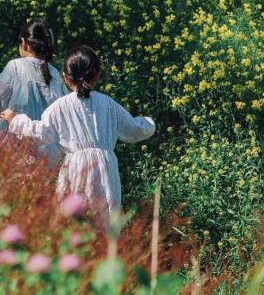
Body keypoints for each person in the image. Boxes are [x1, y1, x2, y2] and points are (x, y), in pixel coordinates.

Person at [1, 45, 155, 216]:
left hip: (76, 168)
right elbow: (133, 129)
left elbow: (42, 132)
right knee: (105, 220)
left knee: (76, 220)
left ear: (65, 78)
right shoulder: (108, 104)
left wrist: (15, 120)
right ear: (97, 75)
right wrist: (149, 123)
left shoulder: (60, 106)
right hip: (105, 170)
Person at [0, 18, 67, 166]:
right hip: (50, 159)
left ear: (23, 43)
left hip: (18, 156)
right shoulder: (55, 74)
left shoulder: (15, 67)